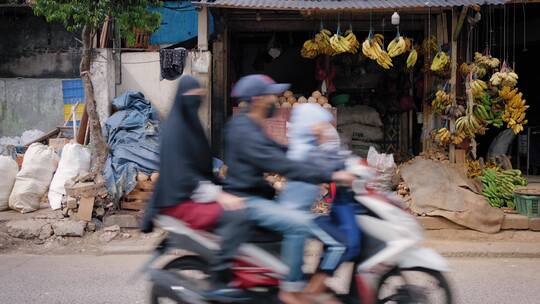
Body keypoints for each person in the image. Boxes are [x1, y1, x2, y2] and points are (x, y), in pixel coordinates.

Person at [224, 74, 355, 304]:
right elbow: (280, 164)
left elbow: (280, 152)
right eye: (270, 95)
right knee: (299, 224)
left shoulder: (251, 124)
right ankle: (291, 288)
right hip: (247, 201)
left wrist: (310, 162)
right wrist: (329, 174)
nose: (274, 100)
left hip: (258, 196)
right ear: (257, 99)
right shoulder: (245, 130)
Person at [140, 75, 250, 300]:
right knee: (236, 215)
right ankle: (221, 279)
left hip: (190, 194)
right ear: (182, 98)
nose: (196, 100)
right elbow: (185, 175)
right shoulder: (175, 130)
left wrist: (223, 187)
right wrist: (219, 195)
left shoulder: (189, 124)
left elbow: (201, 167)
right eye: (192, 96)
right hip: (179, 201)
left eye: (200, 96)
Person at [282, 103, 362, 296]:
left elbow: (330, 156)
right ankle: (310, 294)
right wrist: (337, 175)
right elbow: (317, 169)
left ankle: (320, 283)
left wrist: (351, 163)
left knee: (336, 235)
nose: (323, 127)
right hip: (299, 215)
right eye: (319, 123)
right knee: (340, 244)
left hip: (307, 212)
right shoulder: (302, 150)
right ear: (309, 124)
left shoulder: (308, 144)